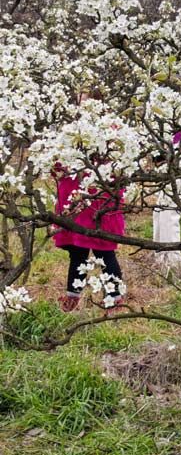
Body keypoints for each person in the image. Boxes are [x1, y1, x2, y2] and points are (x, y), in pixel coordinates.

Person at [53, 89, 126, 314]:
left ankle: (114, 297)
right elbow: (59, 161)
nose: (82, 106)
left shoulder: (111, 131)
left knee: (103, 250)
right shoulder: (72, 132)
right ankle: (73, 295)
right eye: (80, 101)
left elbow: (119, 164)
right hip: (77, 200)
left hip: (98, 201)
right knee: (77, 250)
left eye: (86, 101)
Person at [152, 129, 181, 268]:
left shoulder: (180, 121)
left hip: (180, 156)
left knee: (170, 212)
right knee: (160, 210)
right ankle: (160, 255)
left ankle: (172, 259)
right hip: (173, 154)